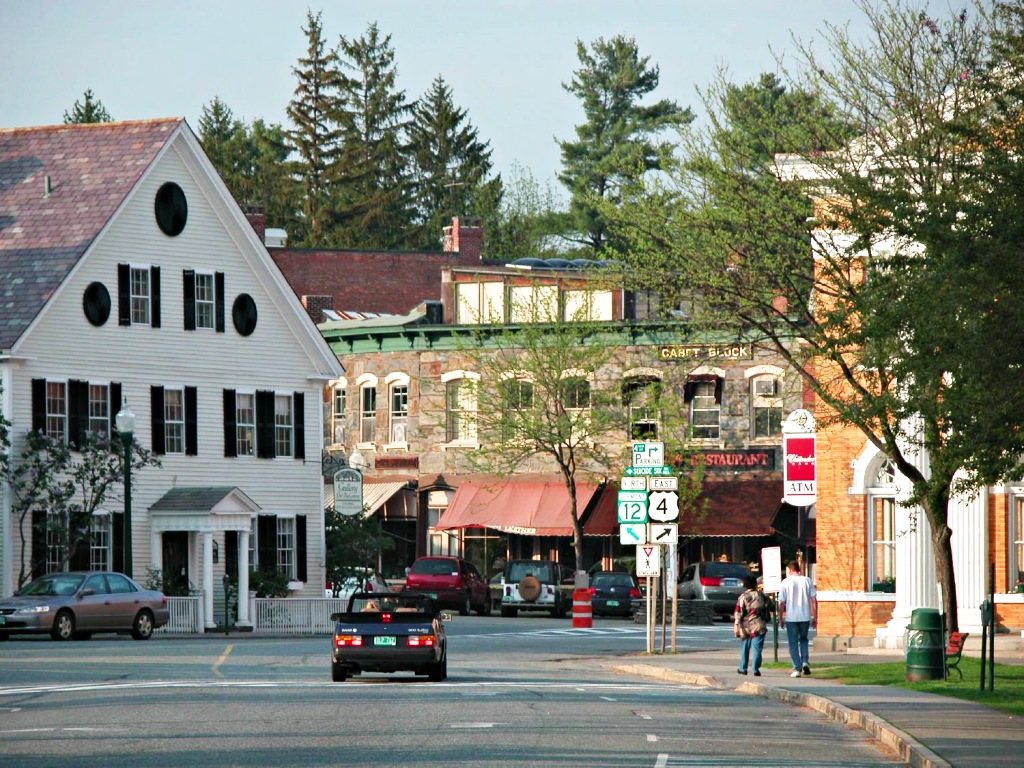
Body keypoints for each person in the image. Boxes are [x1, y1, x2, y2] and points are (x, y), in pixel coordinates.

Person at [778, 560, 817, 677]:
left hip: (791, 617)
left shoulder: (785, 582)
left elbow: (781, 603)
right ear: (799, 569)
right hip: (805, 616)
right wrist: (815, 616)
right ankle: (805, 661)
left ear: (789, 570)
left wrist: (780, 618)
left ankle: (797, 668)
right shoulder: (807, 580)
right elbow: (814, 600)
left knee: (793, 643)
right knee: (804, 640)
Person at [733, 575, 769, 676]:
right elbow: (768, 607)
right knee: (757, 648)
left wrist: (736, 624)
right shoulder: (762, 596)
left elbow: (738, 612)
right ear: (755, 584)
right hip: (759, 625)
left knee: (745, 647)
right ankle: (755, 669)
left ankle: (743, 668)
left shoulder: (743, 597)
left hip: (746, 625)